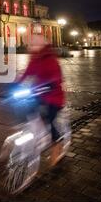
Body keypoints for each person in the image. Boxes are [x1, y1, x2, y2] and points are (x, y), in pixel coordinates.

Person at [17, 34, 66, 166]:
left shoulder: (50, 59)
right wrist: (16, 84)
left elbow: (56, 77)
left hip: (54, 95)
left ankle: (57, 143)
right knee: (28, 109)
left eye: (34, 45)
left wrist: (50, 85)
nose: (31, 48)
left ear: (41, 46)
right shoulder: (34, 58)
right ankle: (36, 133)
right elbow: (27, 73)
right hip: (39, 92)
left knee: (49, 119)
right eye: (31, 45)